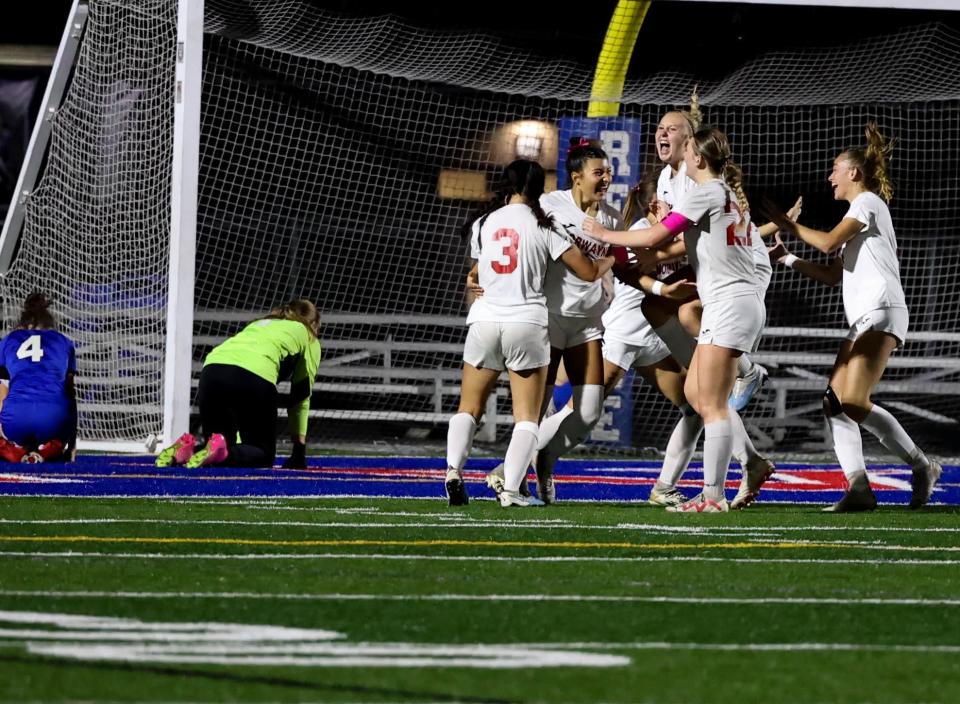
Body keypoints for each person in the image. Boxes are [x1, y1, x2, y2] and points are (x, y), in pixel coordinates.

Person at [767, 122, 941, 511]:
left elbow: (827, 240)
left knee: (851, 399)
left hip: (880, 310)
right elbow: (832, 274)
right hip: (867, 316)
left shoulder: (867, 204)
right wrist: (787, 257)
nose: (830, 177)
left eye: (835, 169)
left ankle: (922, 464)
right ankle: (859, 488)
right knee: (835, 402)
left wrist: (787, 224)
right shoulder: (857, 215)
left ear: (853, 173)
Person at [588, 126, 764, 513]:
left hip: (730, 303)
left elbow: (654, 238)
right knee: (696, 396)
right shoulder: (724, 194)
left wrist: (604, 234)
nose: (681, 157)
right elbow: (679, 240)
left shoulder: (707, 192)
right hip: (729, 303)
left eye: (686, 151)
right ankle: (726, 481)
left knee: (713, 404)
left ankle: (714, 497)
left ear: (698, 159)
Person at [445, 159, 616, 507]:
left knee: (468, 407)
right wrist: (614, 255)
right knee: (528, 417)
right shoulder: (544, 224)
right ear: (540, 189)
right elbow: (587, 271)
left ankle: (452, 471)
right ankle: (510, 491)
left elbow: (476, 274)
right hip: (526, 322)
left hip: (484, 321)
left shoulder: (483, 222)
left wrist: (472, 283)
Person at [155, 299, 321, 469]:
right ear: (313, 323)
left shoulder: (259, 323)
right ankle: (217, 453)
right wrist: (298, 452)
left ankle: (184, 452)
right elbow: (301, 397)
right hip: (253, 376)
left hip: (212, 371)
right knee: (262, 454)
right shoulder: (308, 335)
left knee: (220, 445)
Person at [0, 293, 76, 463]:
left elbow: (1, 395)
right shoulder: (64, 341)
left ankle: (16, 452)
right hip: (52, 420)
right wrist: (71, 446)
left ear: (25, 323)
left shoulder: (8, 340)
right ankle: (47, 452)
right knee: (64, 406)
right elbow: (71, 397)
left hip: (16, 420)